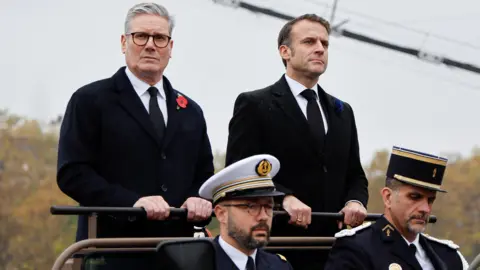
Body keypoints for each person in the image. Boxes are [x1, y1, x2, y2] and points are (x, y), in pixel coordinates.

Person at [57, 2, 213, 244]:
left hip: (178, 250)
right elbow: (72, 173)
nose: (150, 45)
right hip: (111, 247)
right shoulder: (89, 101)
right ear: (123, 42)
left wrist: (198, 198)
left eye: (160, 38)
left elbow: (204, 174)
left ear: (170, 47)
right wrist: (131, 202)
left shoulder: (190, 110)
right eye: (140, 36)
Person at [225, 13, 368, 269]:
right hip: (278, 247)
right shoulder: (255, 105)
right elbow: (240, 173)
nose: (319, 49)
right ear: (285, 52)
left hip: (334, 251)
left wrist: (355, 201)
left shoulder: (342, 112)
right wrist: (284, 198)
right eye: (309, 42)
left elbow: (355, 174)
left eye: (324, 44)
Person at [325, 146, 470, 270]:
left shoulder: (449, 257)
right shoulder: (356, 249)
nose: (425, 208)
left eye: (430, 200)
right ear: (388, 197)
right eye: (415, 197)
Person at [199, 154, 294, 270]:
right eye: (252, 207)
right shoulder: (198, 264)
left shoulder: (279, 266)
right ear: (221, 214)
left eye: (268, 207)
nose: (263, 216)